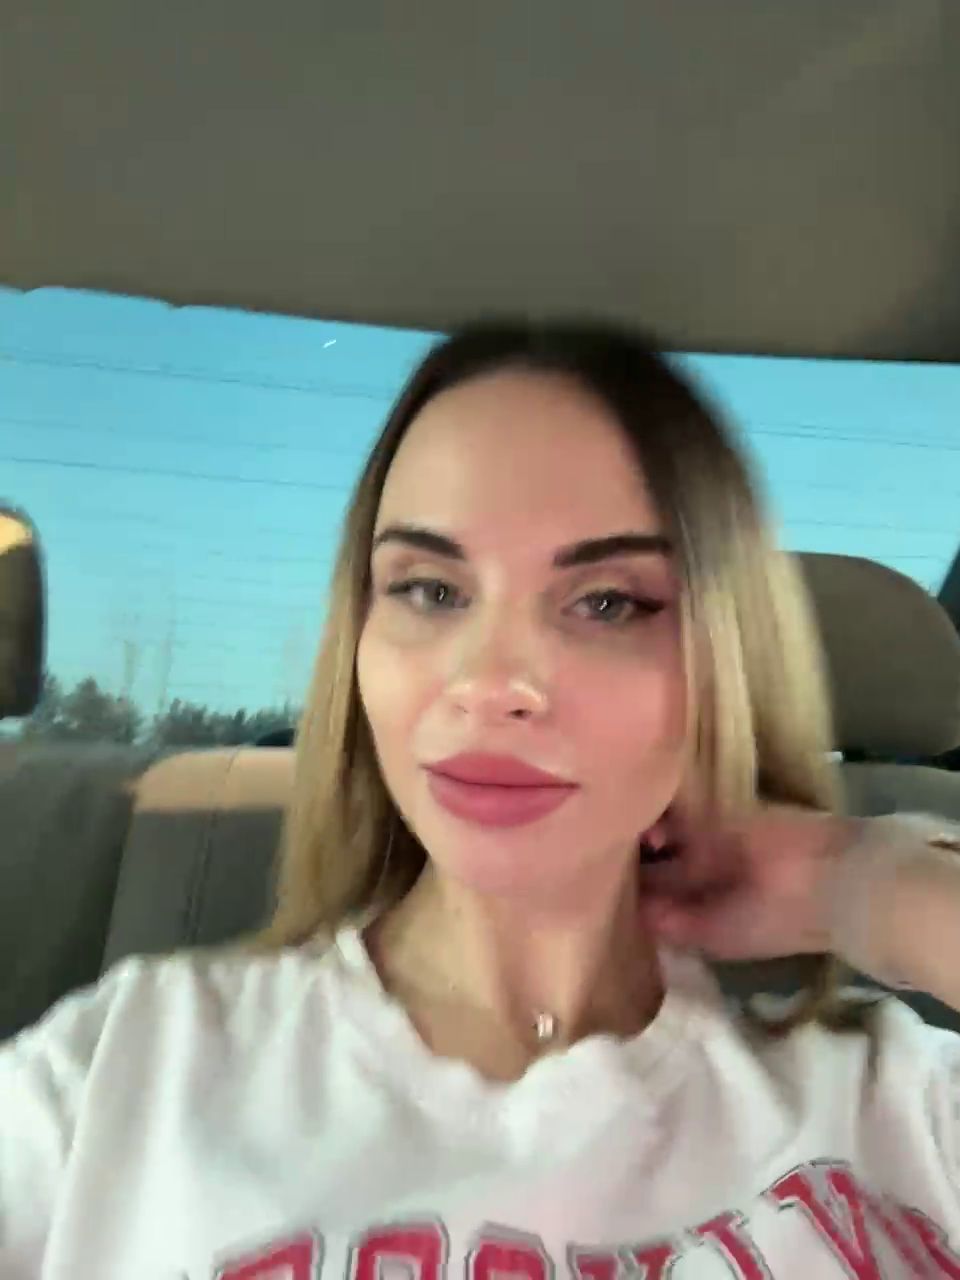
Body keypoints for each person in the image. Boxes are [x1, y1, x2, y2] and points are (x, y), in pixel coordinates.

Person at [2, 322, 960, 1280]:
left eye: (607, 602)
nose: (492, 682)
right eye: (428, 589)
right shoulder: (126, 1072)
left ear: (723, 665)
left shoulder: (894, 1104)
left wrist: (868, 883)